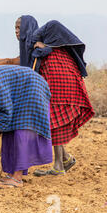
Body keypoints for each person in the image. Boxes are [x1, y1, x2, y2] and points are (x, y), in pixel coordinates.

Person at [16, 16, 94, 175]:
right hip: (60, 90)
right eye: (15, 29)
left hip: (61, 91)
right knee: (53, 122)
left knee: (52, 122)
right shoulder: (40, 49)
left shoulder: (47, 52)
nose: (17, 32)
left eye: (19, 28)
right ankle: (65, 159)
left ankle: (59, 166)